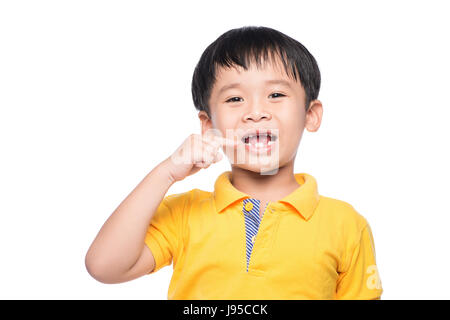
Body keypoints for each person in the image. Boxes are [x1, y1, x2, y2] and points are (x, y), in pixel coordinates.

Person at [85, 26, 383, 300]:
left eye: (276, 94)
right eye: (234, 99)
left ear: (311, 115)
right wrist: (165, 173)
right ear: (207, 124)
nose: (255, 112)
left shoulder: (346, 224)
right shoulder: (185, 213)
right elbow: (104, 267)